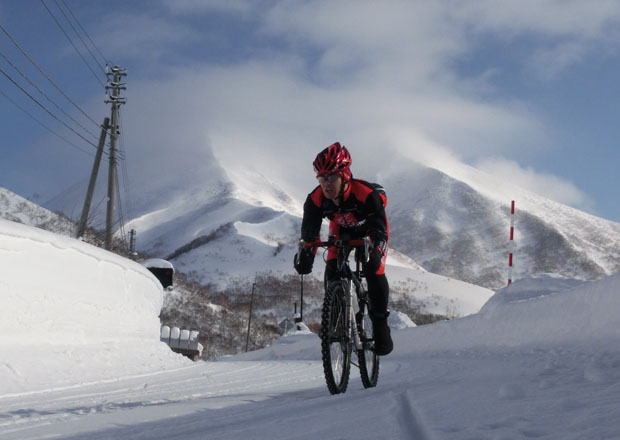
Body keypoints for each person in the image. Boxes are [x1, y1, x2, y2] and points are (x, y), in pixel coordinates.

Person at [294, 142, 393, 355]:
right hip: (341, 228)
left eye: (331, 177)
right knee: (332, 269)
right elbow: (309, 235)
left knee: (373, 269)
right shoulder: (315, 200)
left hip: (369, 230)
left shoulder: (366, 194)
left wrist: (375, 249)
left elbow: (379, 229)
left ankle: (380, 324)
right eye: (321, 178)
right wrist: (306, 256)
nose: (326, 184)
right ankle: (338, 319)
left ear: (344, 175)